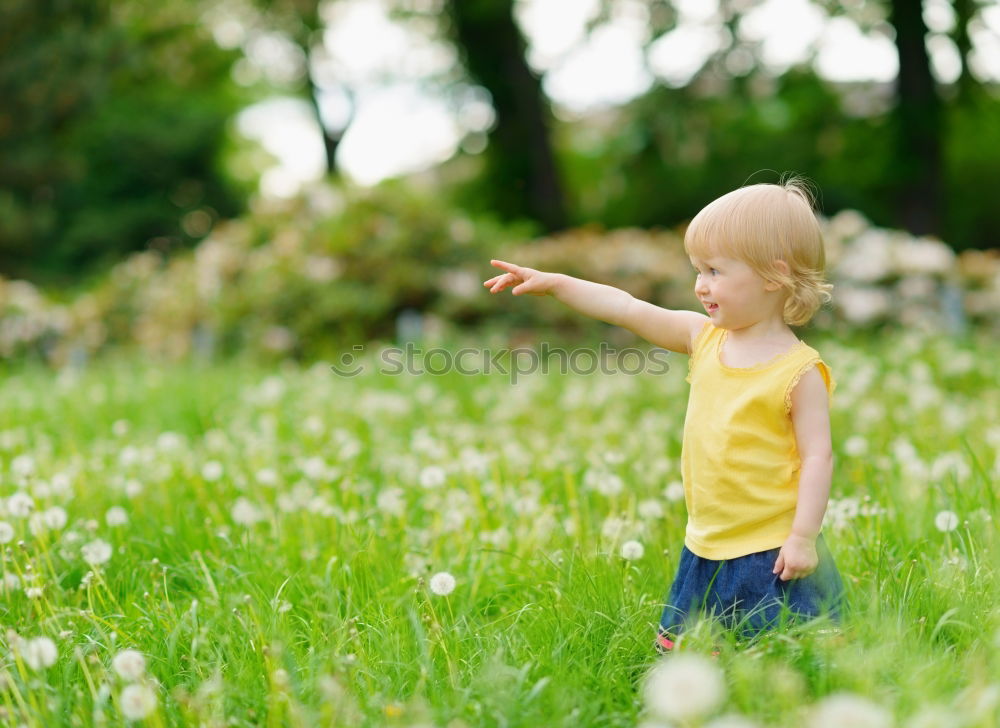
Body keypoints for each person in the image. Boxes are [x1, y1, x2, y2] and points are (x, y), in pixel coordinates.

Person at [482, 178, 846, 650]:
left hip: (769, 547)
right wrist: (557, 284)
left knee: (783, 653)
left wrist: (802, 537)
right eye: (697, 269)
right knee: (703, 655)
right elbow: (625, 307)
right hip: (708, 538)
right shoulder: (704, 338)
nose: (700, 285)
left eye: (714, 270)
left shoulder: (799, 372)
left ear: (773, 276)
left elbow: (819, 457)